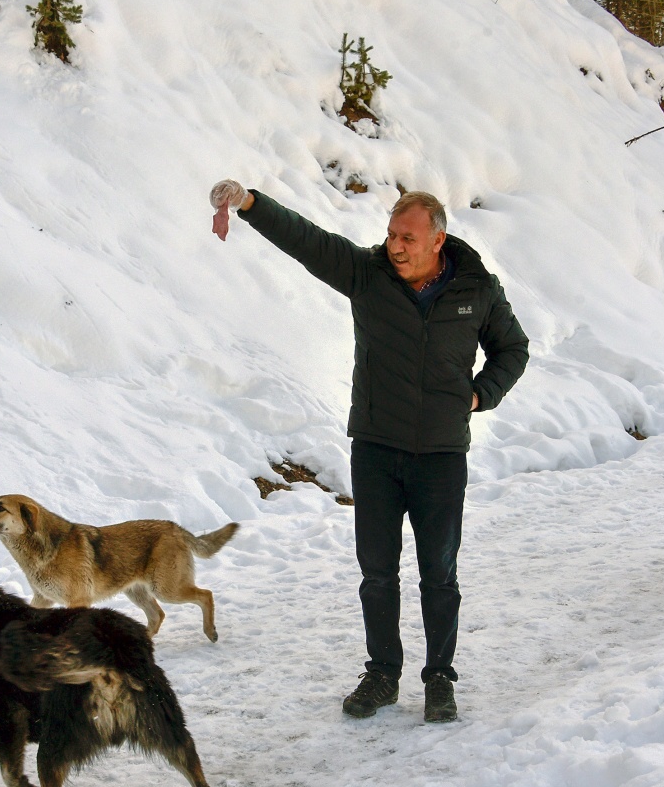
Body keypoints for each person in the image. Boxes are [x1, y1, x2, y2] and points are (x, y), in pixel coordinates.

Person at [209, 179, 529, 723]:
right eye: (390, 235)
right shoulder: (368, 274)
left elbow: (513, 349)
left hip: (442, 455)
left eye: (407, 238)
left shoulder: (477, 288)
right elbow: (308, 241)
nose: (395, 247)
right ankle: (382, 674)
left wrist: (480, 393)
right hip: (377, 450)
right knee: (377, 572)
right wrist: (249, 204)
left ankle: (439, 680)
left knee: (439, 573)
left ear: (438, 241)